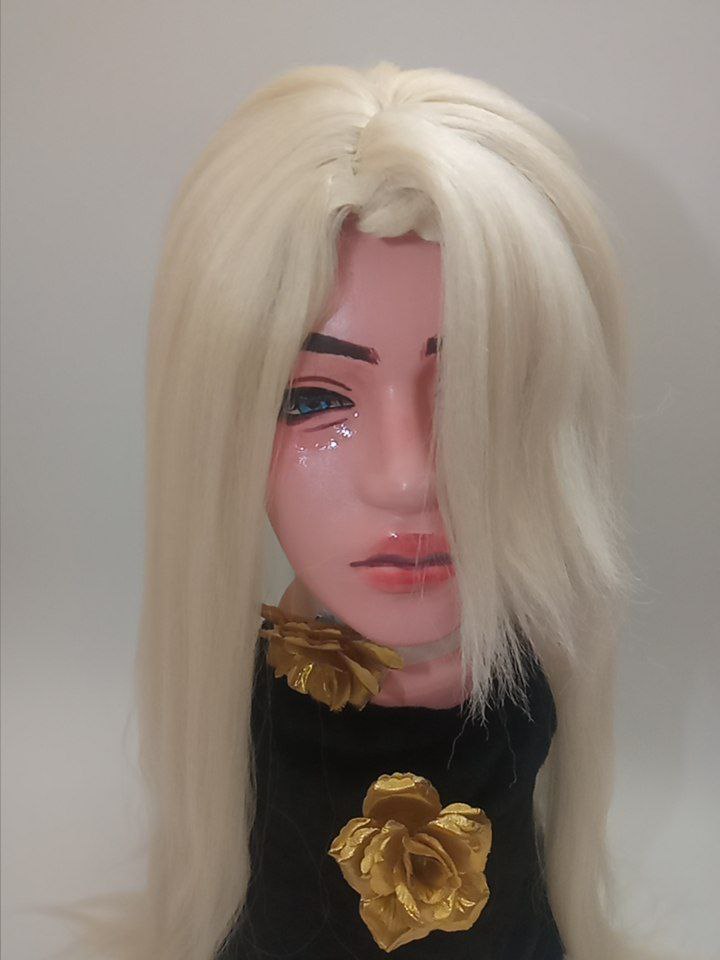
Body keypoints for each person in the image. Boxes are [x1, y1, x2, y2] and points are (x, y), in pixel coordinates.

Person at [60, 61, 680, 960]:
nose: (409, 478)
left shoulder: (516, 696)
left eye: (475, 389)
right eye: (313, 400)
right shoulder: (258, 717)